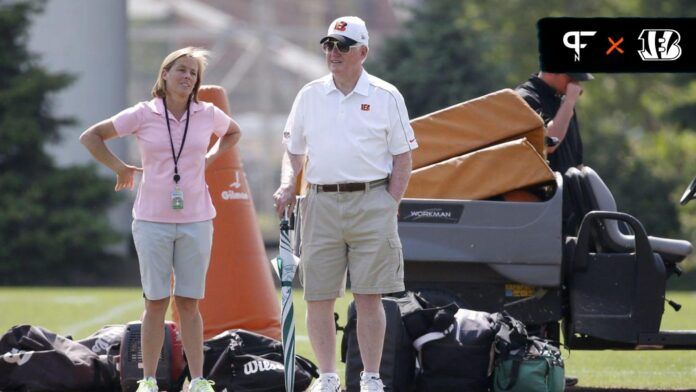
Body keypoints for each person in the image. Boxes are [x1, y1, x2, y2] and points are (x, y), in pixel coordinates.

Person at [80, 47, 241, 392]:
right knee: (155, 302)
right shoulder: (143, 113)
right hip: (152, 220)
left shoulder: (207, 112)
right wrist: (119, 168)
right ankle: (148, 381)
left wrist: (211, 158)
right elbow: (90, 137)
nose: (187, 77)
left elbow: (233, 133)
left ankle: (198, 381)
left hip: (197, 219)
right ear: (164, 74)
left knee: (189, 303)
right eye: (180, 70)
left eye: (193, 73)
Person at [273, 16, 418, 392]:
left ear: (363, 52)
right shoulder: (309, 94)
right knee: (319, 296)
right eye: (328, 46)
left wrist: (390, 203)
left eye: (342, 46)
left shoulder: (386, 95)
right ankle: (327, 378)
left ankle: (370, 379)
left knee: (369, 297)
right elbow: (293, 150)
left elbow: (403, 157)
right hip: (320, 202)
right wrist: (289, 184)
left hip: (373, 200)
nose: (332, 53)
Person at [515, 72, 593, 175]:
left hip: (567, 189)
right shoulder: (524, 99)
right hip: (540, 189)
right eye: (571, 78)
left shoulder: (564, 104)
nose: (575, 85)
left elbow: (578, 162)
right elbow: (548, 144)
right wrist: (569, 102)